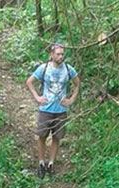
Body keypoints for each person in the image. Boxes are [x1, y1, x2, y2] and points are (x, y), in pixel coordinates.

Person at [26, 43, 80, 178]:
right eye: (58, 54)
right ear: (51, 55)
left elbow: (77, 84)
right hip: (45, 109)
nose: (60, 56)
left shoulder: (68, 69)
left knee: (57, 137)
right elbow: (29, 82)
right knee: (42, 136)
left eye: (62, 54)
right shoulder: (43, 68)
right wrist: (37, 97)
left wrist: (71, 99)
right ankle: (40, 163)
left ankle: (51, 164)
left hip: (61, 110)